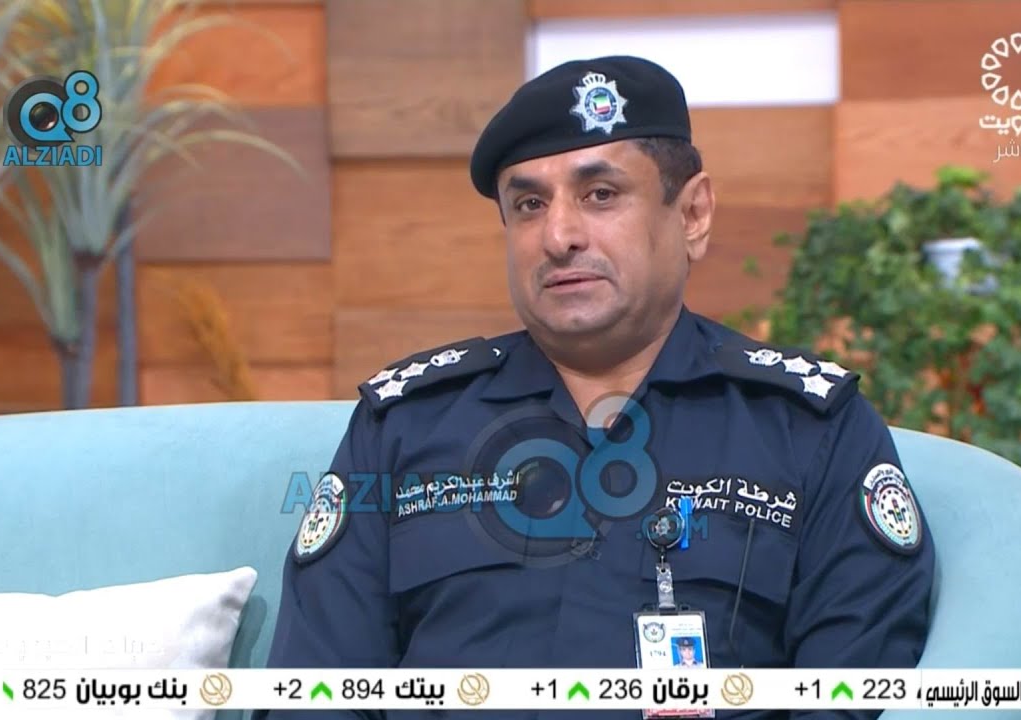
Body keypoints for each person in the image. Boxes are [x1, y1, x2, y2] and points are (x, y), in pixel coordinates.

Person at [258, 55, 934, 720]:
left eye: (600, 195)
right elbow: (316, 694)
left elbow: (851, 697)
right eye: (529, 205)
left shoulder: (807, 431)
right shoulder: (404, 427)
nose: (558, 236)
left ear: (692, 214)